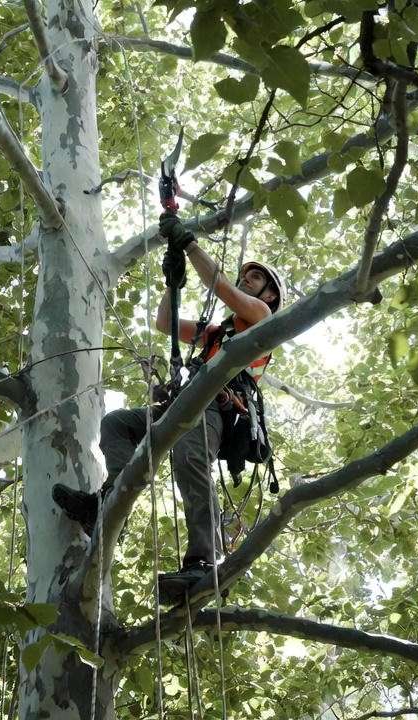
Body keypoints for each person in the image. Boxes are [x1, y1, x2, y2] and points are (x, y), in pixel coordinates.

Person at [52, 213, 284, 598]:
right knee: (117, 425)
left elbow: (220, 286)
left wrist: (189, 244)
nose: (247, 279)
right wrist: (172, 285)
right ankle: (109, 502)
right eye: (246, 275)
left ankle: (205, 562)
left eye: (256, 278)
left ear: (270, 295)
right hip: (184, 402)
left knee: (189, 460)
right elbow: (165, 322)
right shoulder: (217, 332)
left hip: (214, 406)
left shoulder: (262, 318)